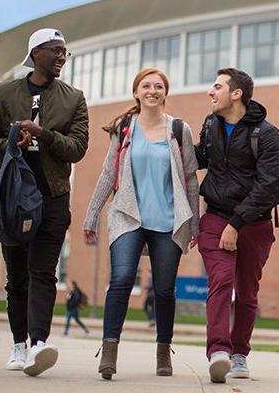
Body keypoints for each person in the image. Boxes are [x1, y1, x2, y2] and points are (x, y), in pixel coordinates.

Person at [0, 28, 89, 376]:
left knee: (43, 271)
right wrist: (13, 141)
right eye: (55, 50)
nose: (61, 57)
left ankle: (39, 344)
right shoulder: (3, 93)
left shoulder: (74, 98)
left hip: (54, 196)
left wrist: (43, 134)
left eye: (64, 52)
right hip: (13, 196)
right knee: (17, 277)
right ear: (36, 52)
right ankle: (18, 344)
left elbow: (78, 148)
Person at [83, 67, 199, 380]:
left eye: (158, 86)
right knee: (121, 279)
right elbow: (109, 172)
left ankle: (163, 350)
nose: (152, 91)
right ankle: (109, 349)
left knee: (164, 290)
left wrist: (195, 223)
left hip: (168, 220)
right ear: (136, 92)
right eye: (146, 86)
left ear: (165, 92)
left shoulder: (179, 129)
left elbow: (190, 178)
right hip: (127, 216)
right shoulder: (123, 128)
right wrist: (92, 215)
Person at [195, 68, 279, 384]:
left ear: (236, 94)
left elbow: (270, 186)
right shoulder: (211, 125)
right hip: (216, 216)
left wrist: (237, 224)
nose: (211, 91)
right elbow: (200, 158)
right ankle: (218, 351)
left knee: (246, 294)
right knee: (220, 281)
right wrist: (165, 139)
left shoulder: (267, 134)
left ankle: (239, 353)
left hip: (254, 224)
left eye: (217, 86)